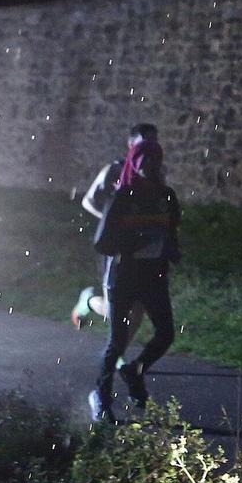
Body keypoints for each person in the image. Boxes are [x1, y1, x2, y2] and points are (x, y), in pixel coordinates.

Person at [83, 124, 181, 422]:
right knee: (117, 341)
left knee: (165, 334)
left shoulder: (166, 195)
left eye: (154, 160)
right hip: (124, 276)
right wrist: (138, 239)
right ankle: (101, 397)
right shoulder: (123, 196)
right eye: (143, 160)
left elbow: (171, 228)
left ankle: (134, 369)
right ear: (134, 161)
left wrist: (171, 250)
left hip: (154, 276)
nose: (149, 166)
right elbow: (102, 242)